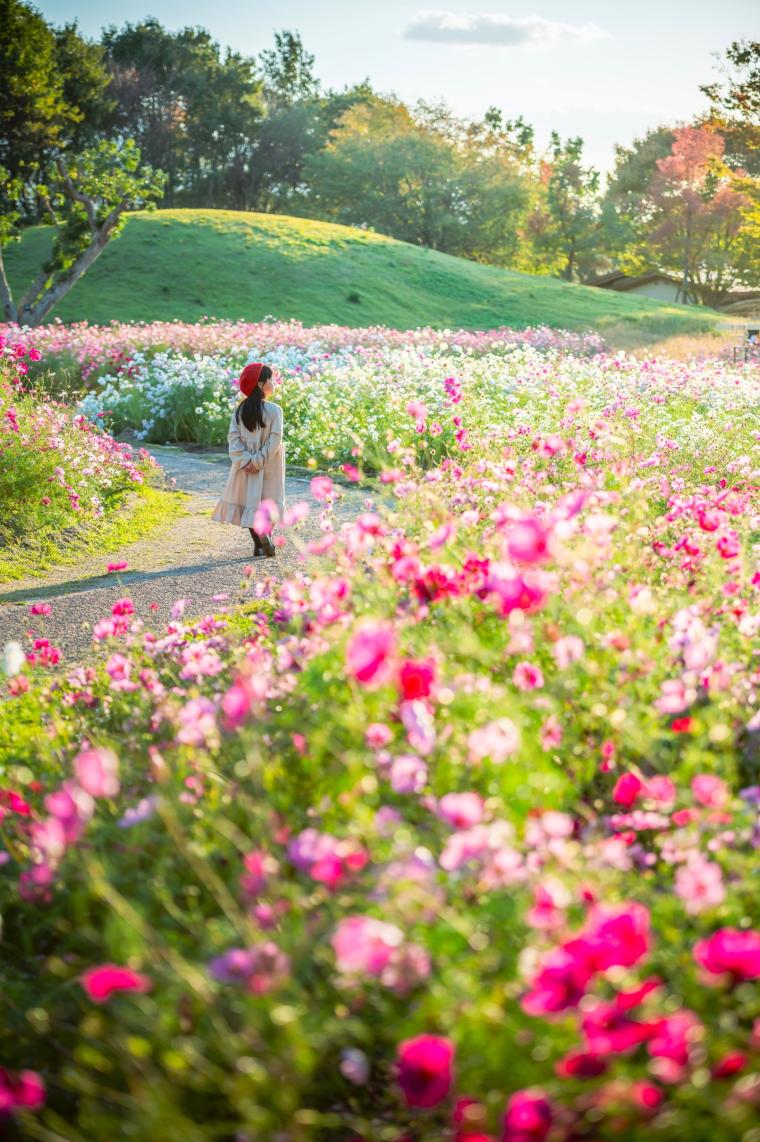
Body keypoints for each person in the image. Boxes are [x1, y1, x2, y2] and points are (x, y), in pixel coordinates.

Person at [211, 362, 285, 556]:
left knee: (249, 503)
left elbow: (233, 440)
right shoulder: (275, 410)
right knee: (271, 501)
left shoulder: (239, 411)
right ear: (261, 384)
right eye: (270, 379)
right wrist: (259, 460)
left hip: (245, 467)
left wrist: (246, 461)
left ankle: (259, 544)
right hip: (270, 463)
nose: (274, 382)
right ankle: (266, 535)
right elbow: (275, 439)